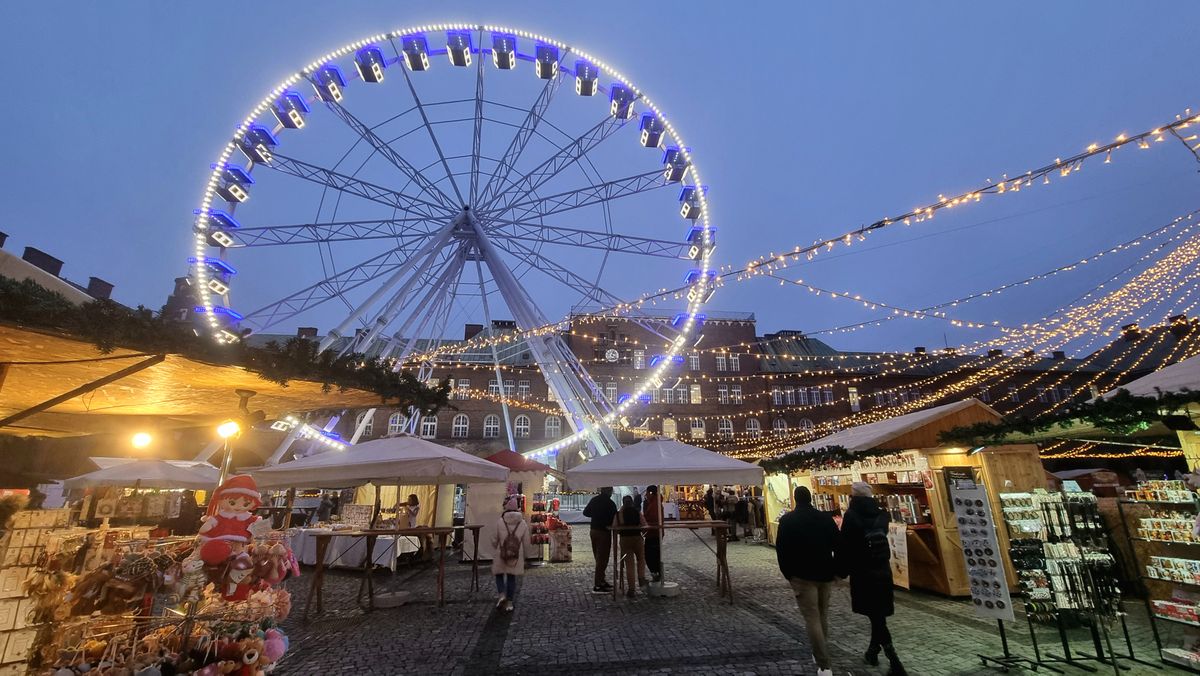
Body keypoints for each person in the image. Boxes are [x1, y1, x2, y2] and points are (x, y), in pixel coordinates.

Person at [837, 482, 906, 676]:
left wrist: (841, 570)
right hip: (882, 569)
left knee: (876, 616)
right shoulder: (881, 515)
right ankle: (873, 651)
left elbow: (845, 545)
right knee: (878, 614)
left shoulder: (852, 516)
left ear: (854, 496)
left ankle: (894, 659)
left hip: (863, 571)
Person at [776, 486, 839, 676]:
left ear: (795, 499)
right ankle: (820, 652)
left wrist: (788, 573)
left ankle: (824, 664)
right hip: (825, 572)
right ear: (810, 498)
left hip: (802, 575)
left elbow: (782, 549)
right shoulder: (825, 518)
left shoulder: (787, 520)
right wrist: (838, 570)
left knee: (812, 617)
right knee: (822, 614)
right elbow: (838, 544)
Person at [491, 496, 530, 612]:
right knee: (511, 577)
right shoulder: (522, 523)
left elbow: (494, 539)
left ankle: (502, 594)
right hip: (515, 555)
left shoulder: (500, 521)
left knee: (499, 574)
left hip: (501, 553)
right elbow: (526, 542)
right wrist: (525, 555)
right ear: (517, 509)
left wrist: (496, 547)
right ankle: (510, 603)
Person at [583, 487, 618, 593]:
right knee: (602, 558)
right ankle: (598, 584)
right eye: (611, 491)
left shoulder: (594, 500)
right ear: (608, 491)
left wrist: (595, 514)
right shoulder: (610, 503)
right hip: (604, 532)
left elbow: (586, 512)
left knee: (598, 557)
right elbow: (615, 517)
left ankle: (602, 580)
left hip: (593, 530)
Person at [612, 495, 648, 596]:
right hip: (637, 538)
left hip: (625, 539)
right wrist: (642, 532)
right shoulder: (637, 512)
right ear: (632, 502)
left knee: (629, 564)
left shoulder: (618, 514)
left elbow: (615, 528)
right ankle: (641, 577)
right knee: (641, 559)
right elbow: (644, 525)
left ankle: (631, 589)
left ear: (623, 503)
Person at [643, 484, 663, 582]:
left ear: (651, 493)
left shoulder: (654, 504)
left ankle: (656, 574)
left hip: (653, 533)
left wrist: (644, 522)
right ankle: (656, 574)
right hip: (654, 533)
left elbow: (653, 518)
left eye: (647, 493)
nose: (646, 495)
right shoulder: (654, 503)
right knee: (653, 555)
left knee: (651, 555)